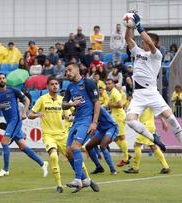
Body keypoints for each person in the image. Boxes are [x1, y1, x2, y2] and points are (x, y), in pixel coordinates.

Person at [124, 11, 182, 153]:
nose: (142, 42)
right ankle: (153, 138)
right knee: (130, 120)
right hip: (138, 94)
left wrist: (139, 26)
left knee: (170, 117)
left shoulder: (156, 55)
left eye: (144, 40)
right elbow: (128, 39)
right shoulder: (137, 52)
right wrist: (129, 25)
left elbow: (150, 43)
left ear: (155, 43)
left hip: (151, 92)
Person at [0, 73, 48, 178]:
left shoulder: (13, 90)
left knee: (4, 142)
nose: (2, 80)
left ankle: (5, 170)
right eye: (0, 79)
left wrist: (24, 112)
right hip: (9, 122)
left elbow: (27, 100)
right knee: (22, 146)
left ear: (5, 80)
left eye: (3, 78)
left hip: (15, 120)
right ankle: (42, 163)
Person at [61, 63, 100, 193]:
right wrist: (71, 103)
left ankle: (78, 179)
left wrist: (94, 122)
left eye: (69, 70)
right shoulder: (70, 87)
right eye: (66, 71)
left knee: (75, 147)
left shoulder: (88, 83)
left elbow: (97, 103)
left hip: (86, 121)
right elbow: (64, 105)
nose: (67, 72)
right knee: (68, 152)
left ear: (77, 70)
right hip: (76, 121)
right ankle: (85, 180)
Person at [28, 77, 71, 193]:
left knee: (74, 157)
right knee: (53, 156)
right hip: (48, 135)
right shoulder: (42, 99)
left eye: (56, 84)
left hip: (62, 135)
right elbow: (30, 115)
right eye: (52, 84)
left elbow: (70, 117)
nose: (55, 86)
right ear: (47, 86)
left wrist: (70, 117)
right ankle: (59, 185)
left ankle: (86, 179)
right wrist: (37, 115)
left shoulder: (63, 101)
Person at [124, 108, 171, 174]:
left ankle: (135, 168)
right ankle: (166, 167)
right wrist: (163, 122)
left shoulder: (144, 101)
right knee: (153, 146)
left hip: (146, 126)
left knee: (137, 145)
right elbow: (158, 111)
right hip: (150, 126)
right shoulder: (150, 101)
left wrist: (163, 122)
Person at [86, 107, 118, 176]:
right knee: (88, 146)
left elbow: (94, 120)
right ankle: (99, 167)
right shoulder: (88, 109)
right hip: (102, 131)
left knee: (103, 145)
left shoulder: (98, 108)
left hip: (111, 128)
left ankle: (113, 169)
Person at [106, 79, 130, 167]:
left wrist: (110, 105)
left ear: (113, 84)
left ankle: (126, 158)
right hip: (116, 116)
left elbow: (120, 105)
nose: (107, 85)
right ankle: (126, 154)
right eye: (107, 84)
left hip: (119, 116)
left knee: (121, 137)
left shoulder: (115, 92)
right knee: (115, 137)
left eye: (109, 84)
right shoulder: (112, 92)